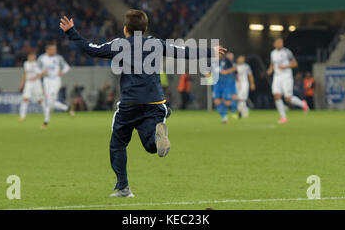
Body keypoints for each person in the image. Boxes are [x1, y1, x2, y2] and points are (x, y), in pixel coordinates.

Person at [60, 10, 225, 197]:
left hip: (130, 102)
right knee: (150, 146)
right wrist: (209, 51)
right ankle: (158, 135)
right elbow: (181, 52)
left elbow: (92, 49)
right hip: (155, 101)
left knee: (118, 142)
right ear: (145, 28)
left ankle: (123, 187)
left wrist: (71, 31)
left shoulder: (119, 44)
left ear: (125, 29)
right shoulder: (155, 43)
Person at [266, 38, 309, 123]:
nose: (280, 44)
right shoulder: (273, 53)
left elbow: (295, 64)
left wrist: (284, 67)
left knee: (288, 99)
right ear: (274, 44)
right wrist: (270, 70)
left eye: (281, 42)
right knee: (276, 96)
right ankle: (283, 117)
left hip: (286, 76)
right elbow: (272, 64)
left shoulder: (287, 52)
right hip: (277, 77)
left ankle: (302, 104)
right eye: (278, 42)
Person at [37, 43, 74, 129]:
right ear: (48, 50)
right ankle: (67, 108)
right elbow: (37, 68)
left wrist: (62, 72)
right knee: (49, 102)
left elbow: (67, 67)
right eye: (53, 49)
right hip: (46, 81)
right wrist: (41, 72)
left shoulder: (58, 58)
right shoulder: (42, 58)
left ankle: (45, 122)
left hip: (55, 81)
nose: (55, 51)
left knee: (49, 101)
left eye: (55, 49)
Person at [19, 52, 44, 121]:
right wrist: (22, 84)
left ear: (34, 57)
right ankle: (22, 116)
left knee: (40, 100)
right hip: (28, 83)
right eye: (30, 56)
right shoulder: (26, 64)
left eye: (33, 56)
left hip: (36, 83)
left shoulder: (37, 64)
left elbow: (42, 74)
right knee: (25, 98)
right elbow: (25, 74)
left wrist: (35, 78)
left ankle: (46, 114)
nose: (31, 58)